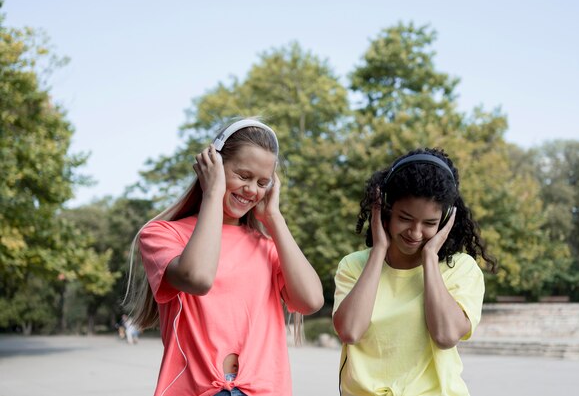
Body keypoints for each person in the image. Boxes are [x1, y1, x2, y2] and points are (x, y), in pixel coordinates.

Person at [125, 117, 324, 396]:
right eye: (243, 176)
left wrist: (275, 218)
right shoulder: (162, 234)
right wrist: (212, 193)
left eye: (262, 182)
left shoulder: (268, 246)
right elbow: (198, 278)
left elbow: (311, 301)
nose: (252, 190)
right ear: (213, 166)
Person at [332, 148, 497, 396]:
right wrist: (379, 251)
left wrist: (430, 258)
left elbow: (445, 335)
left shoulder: (461, 268)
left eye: (429, 223)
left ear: (445, 220)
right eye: (405, 218)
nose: (416, 233)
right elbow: (350, 331)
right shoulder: (353, 265)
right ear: (385, 210)